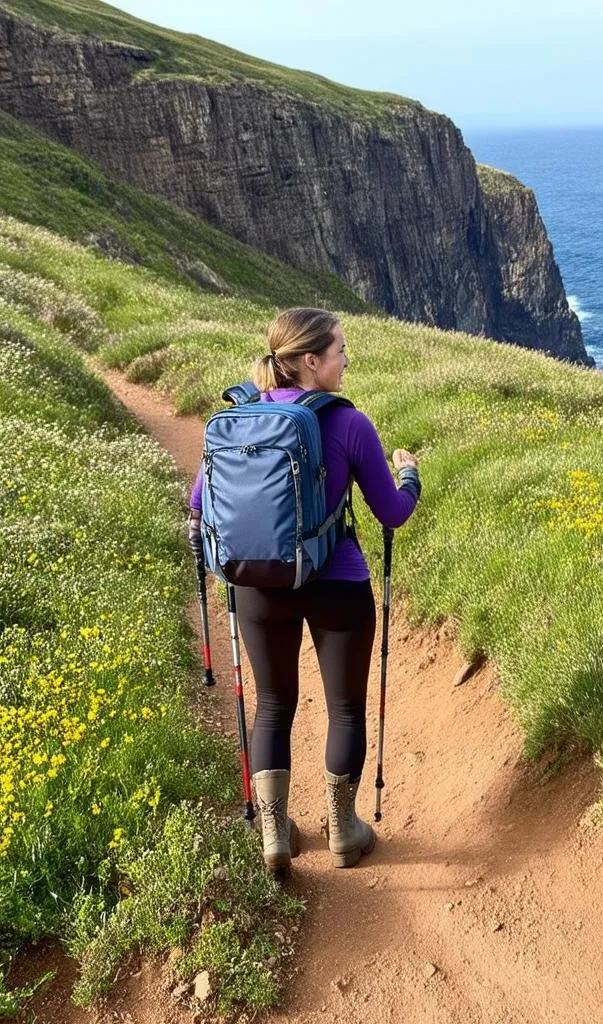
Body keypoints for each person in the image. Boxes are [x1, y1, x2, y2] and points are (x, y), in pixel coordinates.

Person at [187, 308, 421, 872]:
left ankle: (274, 833)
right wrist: (410, 474)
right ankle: (343, 830)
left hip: (257, 586)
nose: (346, 360)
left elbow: (198, 503)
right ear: (311, 361)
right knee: (343, 708)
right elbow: (392, 512)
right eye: (340, 350)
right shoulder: (349, 423)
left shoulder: (238, 418)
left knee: (272, 705)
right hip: (336, 583)